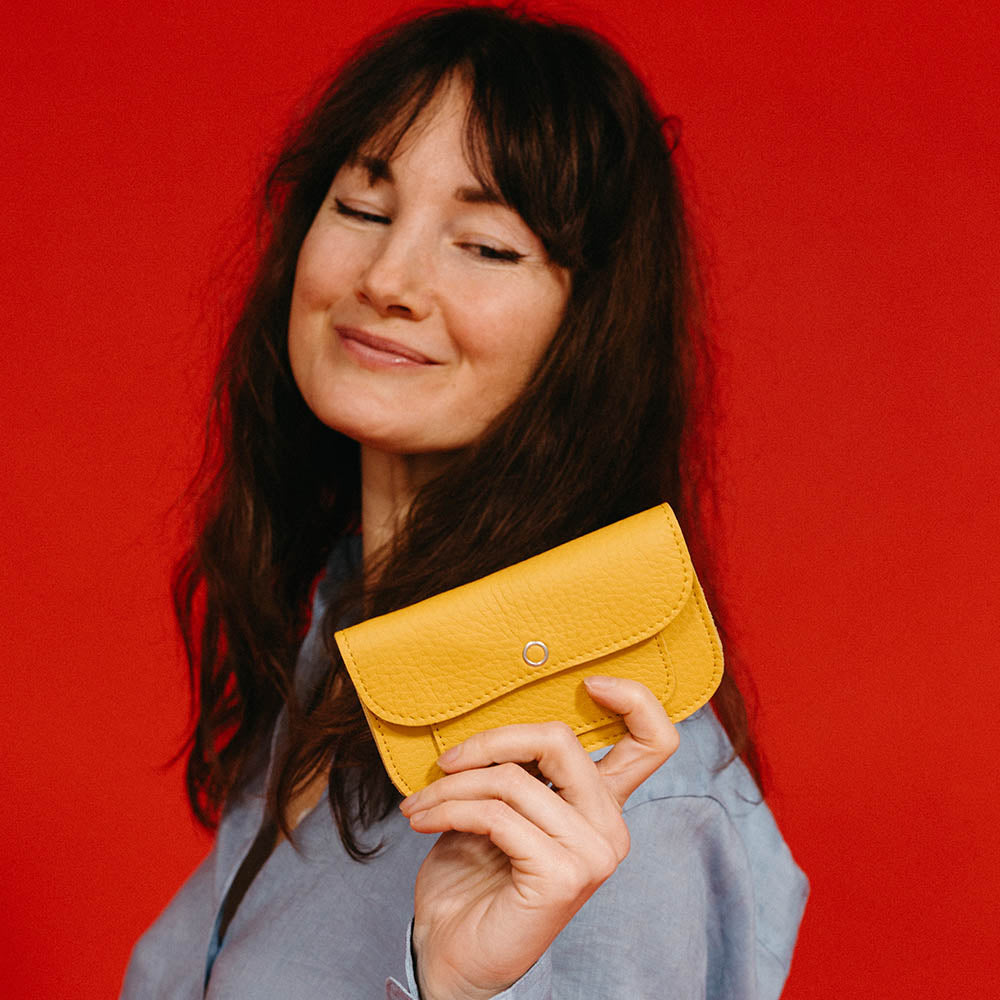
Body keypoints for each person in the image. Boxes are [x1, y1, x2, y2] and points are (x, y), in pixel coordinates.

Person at [121, 5, 807, 998]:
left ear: (591, 325)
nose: (387, 278)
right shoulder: (337, 647)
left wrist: (456, 985)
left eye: (485, 246)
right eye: (362, 209)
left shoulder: (621, 791)